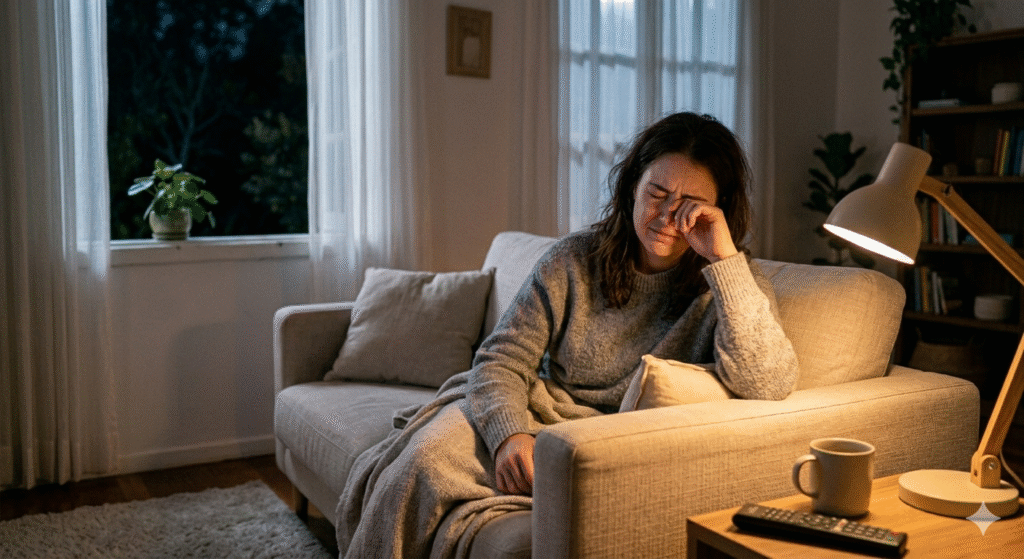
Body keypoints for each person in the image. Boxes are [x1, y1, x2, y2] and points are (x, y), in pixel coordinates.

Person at [337, 112, 800, 558]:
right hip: (531, 413)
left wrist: (722, 260)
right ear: (632, 188)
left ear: (718, 210)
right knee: (420, 460)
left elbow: (769, 384)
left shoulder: (734, 282)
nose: (666, 215)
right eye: (656, 194)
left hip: (602, 452)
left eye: (690, 206)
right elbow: (500, 359)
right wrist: (508, 436)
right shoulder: (573, 260)